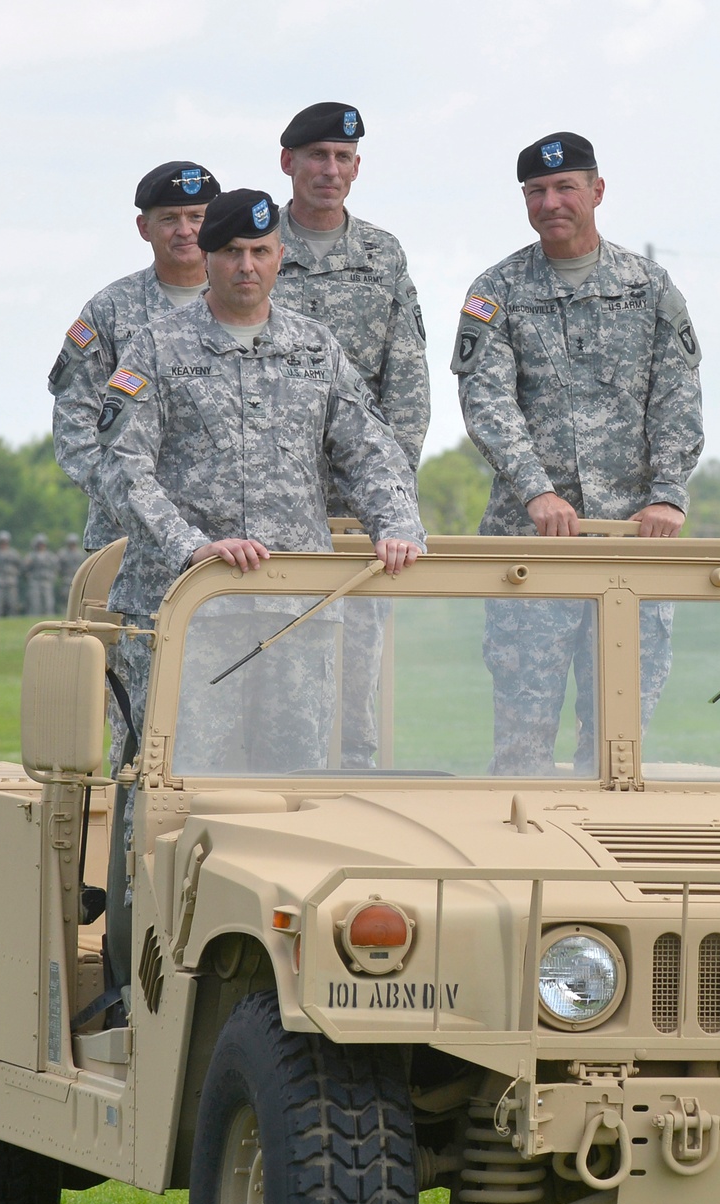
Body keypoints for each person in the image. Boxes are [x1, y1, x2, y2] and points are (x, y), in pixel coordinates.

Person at [97, 187, 426, 769]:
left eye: (259, 251)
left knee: (296, 781)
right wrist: (191, 546)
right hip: (185, 607)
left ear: (279, 257)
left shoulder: (315, 347)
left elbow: (368, 449)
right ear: (206, 257)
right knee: (174, 778)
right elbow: (123, 468)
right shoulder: (155, 348)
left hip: (293, 608)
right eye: (230, 252)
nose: (245, 266)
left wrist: (395, 523)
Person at [452, 130, 703, 774]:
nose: (551, 202)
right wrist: (537, 489)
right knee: (522, 740)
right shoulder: (498, 289)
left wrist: (668, 495)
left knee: (619, 746)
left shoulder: (648, 285)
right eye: (535, 191)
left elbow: (677, 395)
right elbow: (486, 401)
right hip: (531, 549)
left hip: (633, 543)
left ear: (597, 190)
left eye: (566, 187)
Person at [275, 102, 430, 767]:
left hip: (358, 514)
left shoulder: (382, 254)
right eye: (317, 155)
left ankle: (354, 798)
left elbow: (408, 384)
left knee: (354, 678)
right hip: (269, 509)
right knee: (271, 669)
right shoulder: (251, 248)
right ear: (289, 163)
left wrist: (386, 496)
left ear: (356, 168)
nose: (329, 170)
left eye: (342, 158)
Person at [48, 160, 222, 552]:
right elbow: (75, 427)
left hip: (231, 540)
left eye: (197, 216)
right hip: (128, 541)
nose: (185, 230)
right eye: (169, 219)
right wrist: (136, 504)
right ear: (144, 228)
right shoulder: (108, 311)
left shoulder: (254, 306)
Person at [0, 530, 22, 616]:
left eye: (5, 542)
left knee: (12, 603)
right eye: (1, 542)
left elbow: (20, 565)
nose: (3, 544)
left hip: (11, 581)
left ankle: (13, 620)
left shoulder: (13, 554)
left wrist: (16, 573)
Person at [24, 533, 59, 615]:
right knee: (35, 601)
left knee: (48, 601)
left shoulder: (50, 556)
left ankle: (49, 616)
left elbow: (56, 567)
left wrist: (53, 576)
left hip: (46, 580)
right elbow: (25, 568)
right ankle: (35, 617)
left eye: (42, 544)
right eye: (39, 544)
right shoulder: (31, 556)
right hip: (35, 581)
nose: (41, 546)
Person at [57, 532, 86, 608]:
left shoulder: (81, 554)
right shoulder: (62, 554)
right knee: (65, 596)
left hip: (78, 578)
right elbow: (58, 567)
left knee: (78, 596)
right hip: (66, 578)